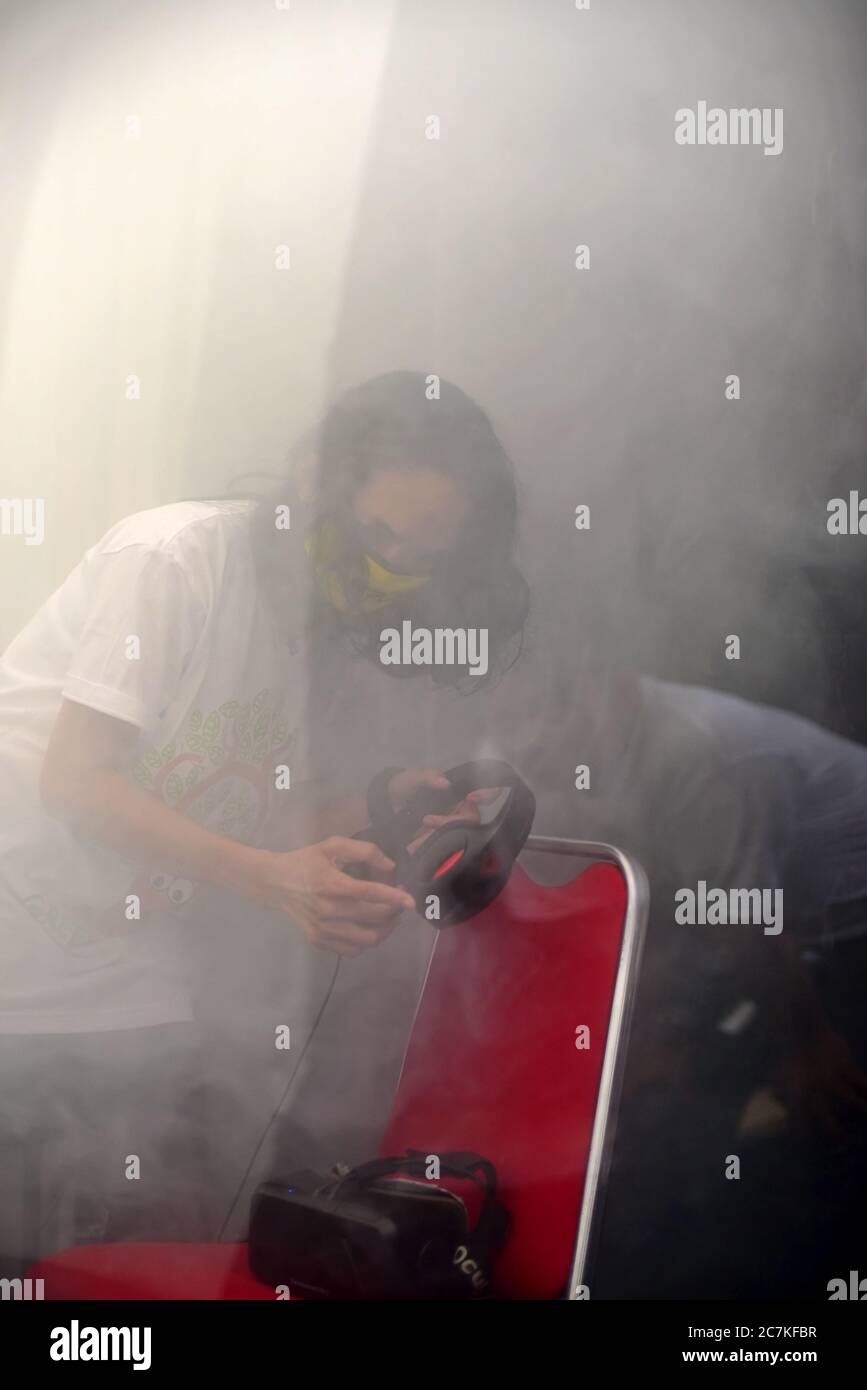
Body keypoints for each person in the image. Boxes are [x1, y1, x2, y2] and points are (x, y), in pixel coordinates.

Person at [0, 370, 528, 1275]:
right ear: (314, 478)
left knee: (138, 1252)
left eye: (420, 556)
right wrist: (274, 882)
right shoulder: (172, 558)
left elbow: (231, 815)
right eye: (375, 534)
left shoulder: (310, 630)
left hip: (127, 981)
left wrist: (377, 803)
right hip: (16, 956)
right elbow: (77, 783)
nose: (389, 568)